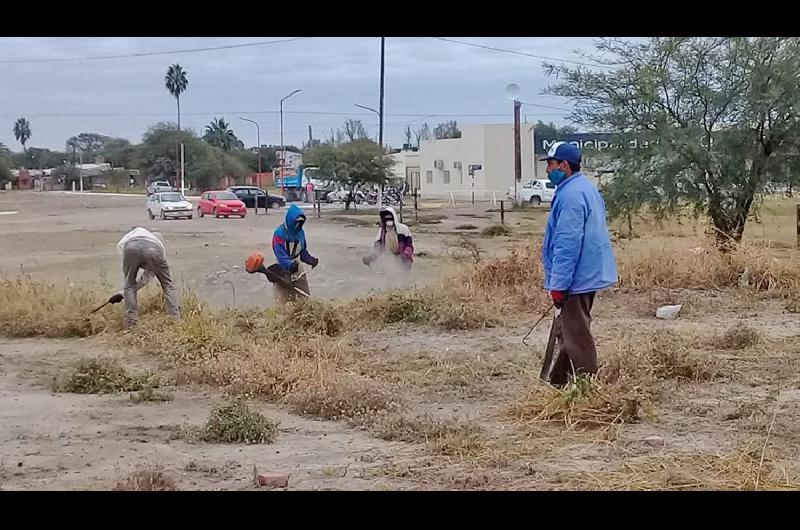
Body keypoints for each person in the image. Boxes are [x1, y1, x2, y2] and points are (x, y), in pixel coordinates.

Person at [539, 141, 618, 388]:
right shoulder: (584, 188)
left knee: (576, 335)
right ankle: (557, 383)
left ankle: (588, 387)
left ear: (564, 165)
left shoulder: (571, 196)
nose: (547, 170)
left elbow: (567, 244)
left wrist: (559, 285)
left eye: (550, 164)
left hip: (576, 278)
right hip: (588, 273)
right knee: (569, 331)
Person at [115, 226, 180, 327]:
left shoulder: (124, 240)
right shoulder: (159, 246)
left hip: (130, 247)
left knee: (129, 285)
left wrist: (123, 293)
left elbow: (131, 281)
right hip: (153, 249)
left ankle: (131, 323)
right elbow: (146, 278)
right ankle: (175, 318)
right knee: (167, 285)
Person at [271, 204, 319, 301]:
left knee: (304, 296)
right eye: (296, 222)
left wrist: (310, 260)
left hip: (297, 267)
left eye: (300, 222)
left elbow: (302, 251)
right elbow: (280, 255)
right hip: (282, 269)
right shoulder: (279, 234)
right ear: (290, 221)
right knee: (282, 298)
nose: (298, 225)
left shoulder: (300, 233)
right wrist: (290, 265)